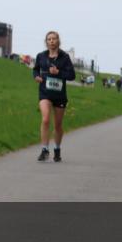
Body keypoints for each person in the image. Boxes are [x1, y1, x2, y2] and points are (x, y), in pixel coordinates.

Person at [33, 31, 75, 162]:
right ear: (46, 42)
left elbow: (72, 76)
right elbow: (35, 69)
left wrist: (58, 72)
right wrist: (36, 76)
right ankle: (45, 150)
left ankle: (57, 149)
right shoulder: (41, 56)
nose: (51, 41)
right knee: (45, 119)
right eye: (49, 39)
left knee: (57, 125)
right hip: (45, 92)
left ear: (58, 41)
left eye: (54, 39)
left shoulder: (64, 57)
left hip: (59, 95)